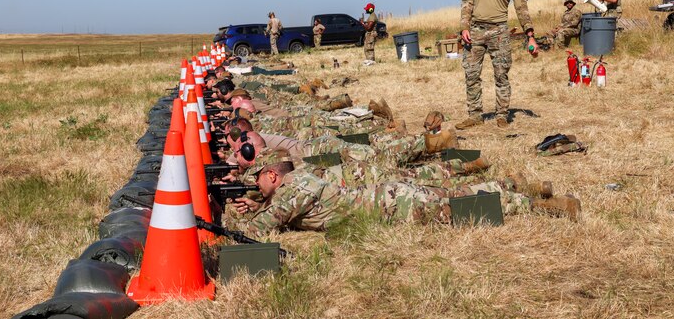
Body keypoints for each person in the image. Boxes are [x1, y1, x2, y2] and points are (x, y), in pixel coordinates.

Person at [227, 158, 581, 237]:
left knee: (460, 209)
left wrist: (241, 217)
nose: (256, 187)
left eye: (257, 181)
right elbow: (283, 210)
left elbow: (261, 229)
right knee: (454, 194)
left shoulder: (294, 191)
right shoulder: (300, 179)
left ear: (272, 175)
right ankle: (523, 186)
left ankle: (543, 205)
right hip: (392, 197)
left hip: (396, 207)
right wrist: (261, 202)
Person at [456, 0, 538, 130]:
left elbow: (521, 8)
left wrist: (530, 35)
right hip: (475, 31)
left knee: (501, 74)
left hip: (499, 31)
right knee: (471, 74)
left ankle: (502, 115)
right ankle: (475, 115)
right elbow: (466, 4)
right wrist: (464, 28)